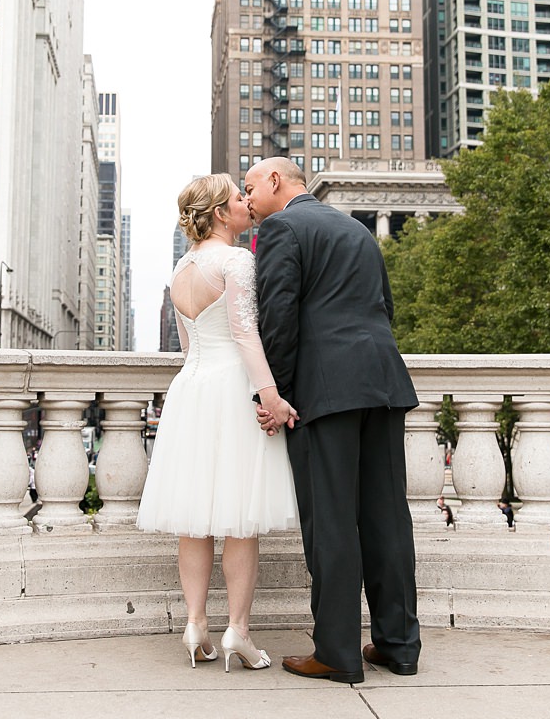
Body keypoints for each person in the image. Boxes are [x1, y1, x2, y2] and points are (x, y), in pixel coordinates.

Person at [245, 156, 421, 684]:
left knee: (331, 522)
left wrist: (277, 396)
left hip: (326, 391)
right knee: (388, 518)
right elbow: (384, 305)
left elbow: (278, 316)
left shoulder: (281, 228)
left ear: (277, 181)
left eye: (250, 187)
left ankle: (338, 652)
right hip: (384, 382)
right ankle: (399, 646)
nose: (248, 200)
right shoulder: (355, 227)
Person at [136, 174, 300, 673]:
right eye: (237, 198)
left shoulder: (181, 267)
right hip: (231, 388)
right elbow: (246, 336)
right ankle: (239, 631)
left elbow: (188, 346)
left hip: (191, 389)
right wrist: (270, 397)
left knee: (195, 517)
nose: (247, 203)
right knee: (240, 518)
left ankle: (195, 625)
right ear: (220, 213)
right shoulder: (237, 261)